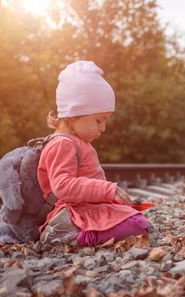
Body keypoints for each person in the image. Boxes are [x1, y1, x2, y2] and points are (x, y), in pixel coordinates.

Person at [37, 60, 149, 247]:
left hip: (86, 207)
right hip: (73, 211)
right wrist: (108, 190)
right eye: (99, 120)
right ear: (74, 113)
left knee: (136, 219)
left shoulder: (74, 142)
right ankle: (68, 234)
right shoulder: (62, 144)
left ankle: (74, 231)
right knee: (137, 224)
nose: (103, 128)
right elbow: (63, 186)